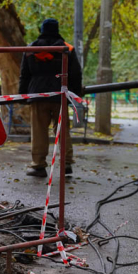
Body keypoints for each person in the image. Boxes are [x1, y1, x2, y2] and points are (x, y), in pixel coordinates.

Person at [19, 18, 83, 177]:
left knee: (39, 131)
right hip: (60, 94)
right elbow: (76, 73)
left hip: (37, 94)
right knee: (62, 130)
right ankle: (66, 164)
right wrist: (76, 93)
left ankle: (38, 166)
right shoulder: (66, 48)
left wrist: (22, 95)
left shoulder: (30, 49)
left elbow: (24, 75)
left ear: (41, 30)